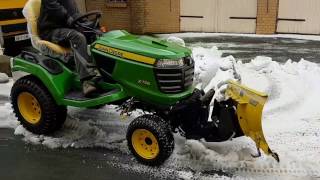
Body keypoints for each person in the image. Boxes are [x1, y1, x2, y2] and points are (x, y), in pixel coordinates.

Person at [38, 0, 99, 97]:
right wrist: (69, 19)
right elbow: (56, 9)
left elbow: (74, 13)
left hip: (65, 27)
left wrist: (85, 23)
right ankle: (86, 81)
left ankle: (100, 72)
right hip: (50, 31)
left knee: (94, 33)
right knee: (78, 38)